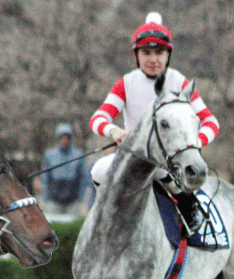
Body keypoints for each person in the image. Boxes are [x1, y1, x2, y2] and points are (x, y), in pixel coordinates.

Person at [89, 12, 220, 233]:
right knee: (98, 170)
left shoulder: (179, 82)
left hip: (170, 161)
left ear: (168, 55)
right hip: (133, 157)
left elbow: (211, 122)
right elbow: (98, 118)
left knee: (160, 171)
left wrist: (193, 144)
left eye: (159, 52)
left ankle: (190, 210)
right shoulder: (126, 83)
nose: (153, 59)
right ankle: (102, 217)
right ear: (136, 55)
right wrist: (113, 131)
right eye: (146, 53)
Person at [41, 123, 89, 216]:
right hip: (54, 200)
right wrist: (46, 198)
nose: (64, 140)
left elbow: (83, 178)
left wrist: (80, 198)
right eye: (62, 138)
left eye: (67, 138)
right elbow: (45, 178)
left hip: (73, 200)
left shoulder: (78, 155)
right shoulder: (50, 155)